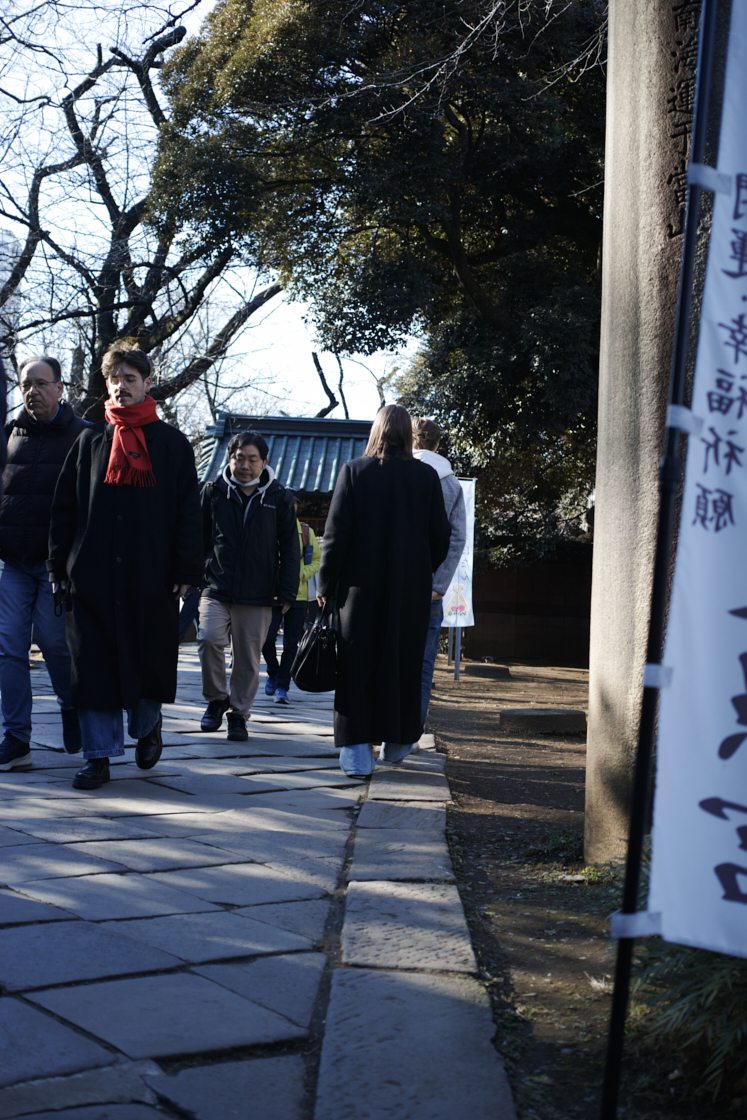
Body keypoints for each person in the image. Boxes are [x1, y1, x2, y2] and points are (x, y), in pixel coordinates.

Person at [47, 342, 202, 790]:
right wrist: (58, 567)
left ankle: (147, 725)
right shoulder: (90, 440)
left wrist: (185, 570)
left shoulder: (171, 444)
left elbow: (188, 512)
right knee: (93, 665)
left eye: (130, 379)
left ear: (147, 383)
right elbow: (64, 509)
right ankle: (98, 757)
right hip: (91, 574)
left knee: (146, 658)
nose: (120, 387)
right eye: (114, 379)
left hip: (150, 575)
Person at [317, 404, 451, 778]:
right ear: (408, 435)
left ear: (375, 431)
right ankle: (397, 744)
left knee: (357, 666)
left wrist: (326, 584)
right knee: (402, 663)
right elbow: (440, 536)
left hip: (358, 591)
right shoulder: (426, 477)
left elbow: (335, 535)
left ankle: (357, 755)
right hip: (409, 591)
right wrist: (420, 569)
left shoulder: (354, 471)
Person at [0, 355, 87, 771]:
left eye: (40, 383)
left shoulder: (83, 435)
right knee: (8, 649)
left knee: (55, 645)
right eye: (26, 385)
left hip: (57, 568)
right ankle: (17, 738)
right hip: (14, 563)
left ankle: (71, 705)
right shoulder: (9, 434)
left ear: (59, 387)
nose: (32, 391)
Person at [198, 431, 299, 740]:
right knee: (208, 639)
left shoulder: (278, 497)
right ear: (229, 459)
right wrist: (194, 576)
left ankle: (239, 715)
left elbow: (290, 547)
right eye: (239, 458)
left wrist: (287, 591)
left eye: (252, 460)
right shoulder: (213, 491)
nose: (245, 465)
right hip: (216, 586)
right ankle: (217, 699)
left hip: (258, 593)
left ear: (264, 462)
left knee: (247, 659)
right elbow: (197, 536)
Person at [412, 417, 467, 729]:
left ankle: (385, 727)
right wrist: (439, 584)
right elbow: (458, 538)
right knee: (423, 666)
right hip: (430, 588)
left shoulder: (397, 474)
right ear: (437, 445)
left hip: (394, 585)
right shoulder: (451, 483)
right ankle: (412, 730)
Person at [263, 492, 321, 704]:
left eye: (293, 504)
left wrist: (300, 574)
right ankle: (273, 671)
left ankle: (282, 686)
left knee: (290, 643)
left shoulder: (305, 531)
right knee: (266, 639)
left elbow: (316, 560)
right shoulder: (269, 529)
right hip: (272, 594)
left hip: (298, 594)